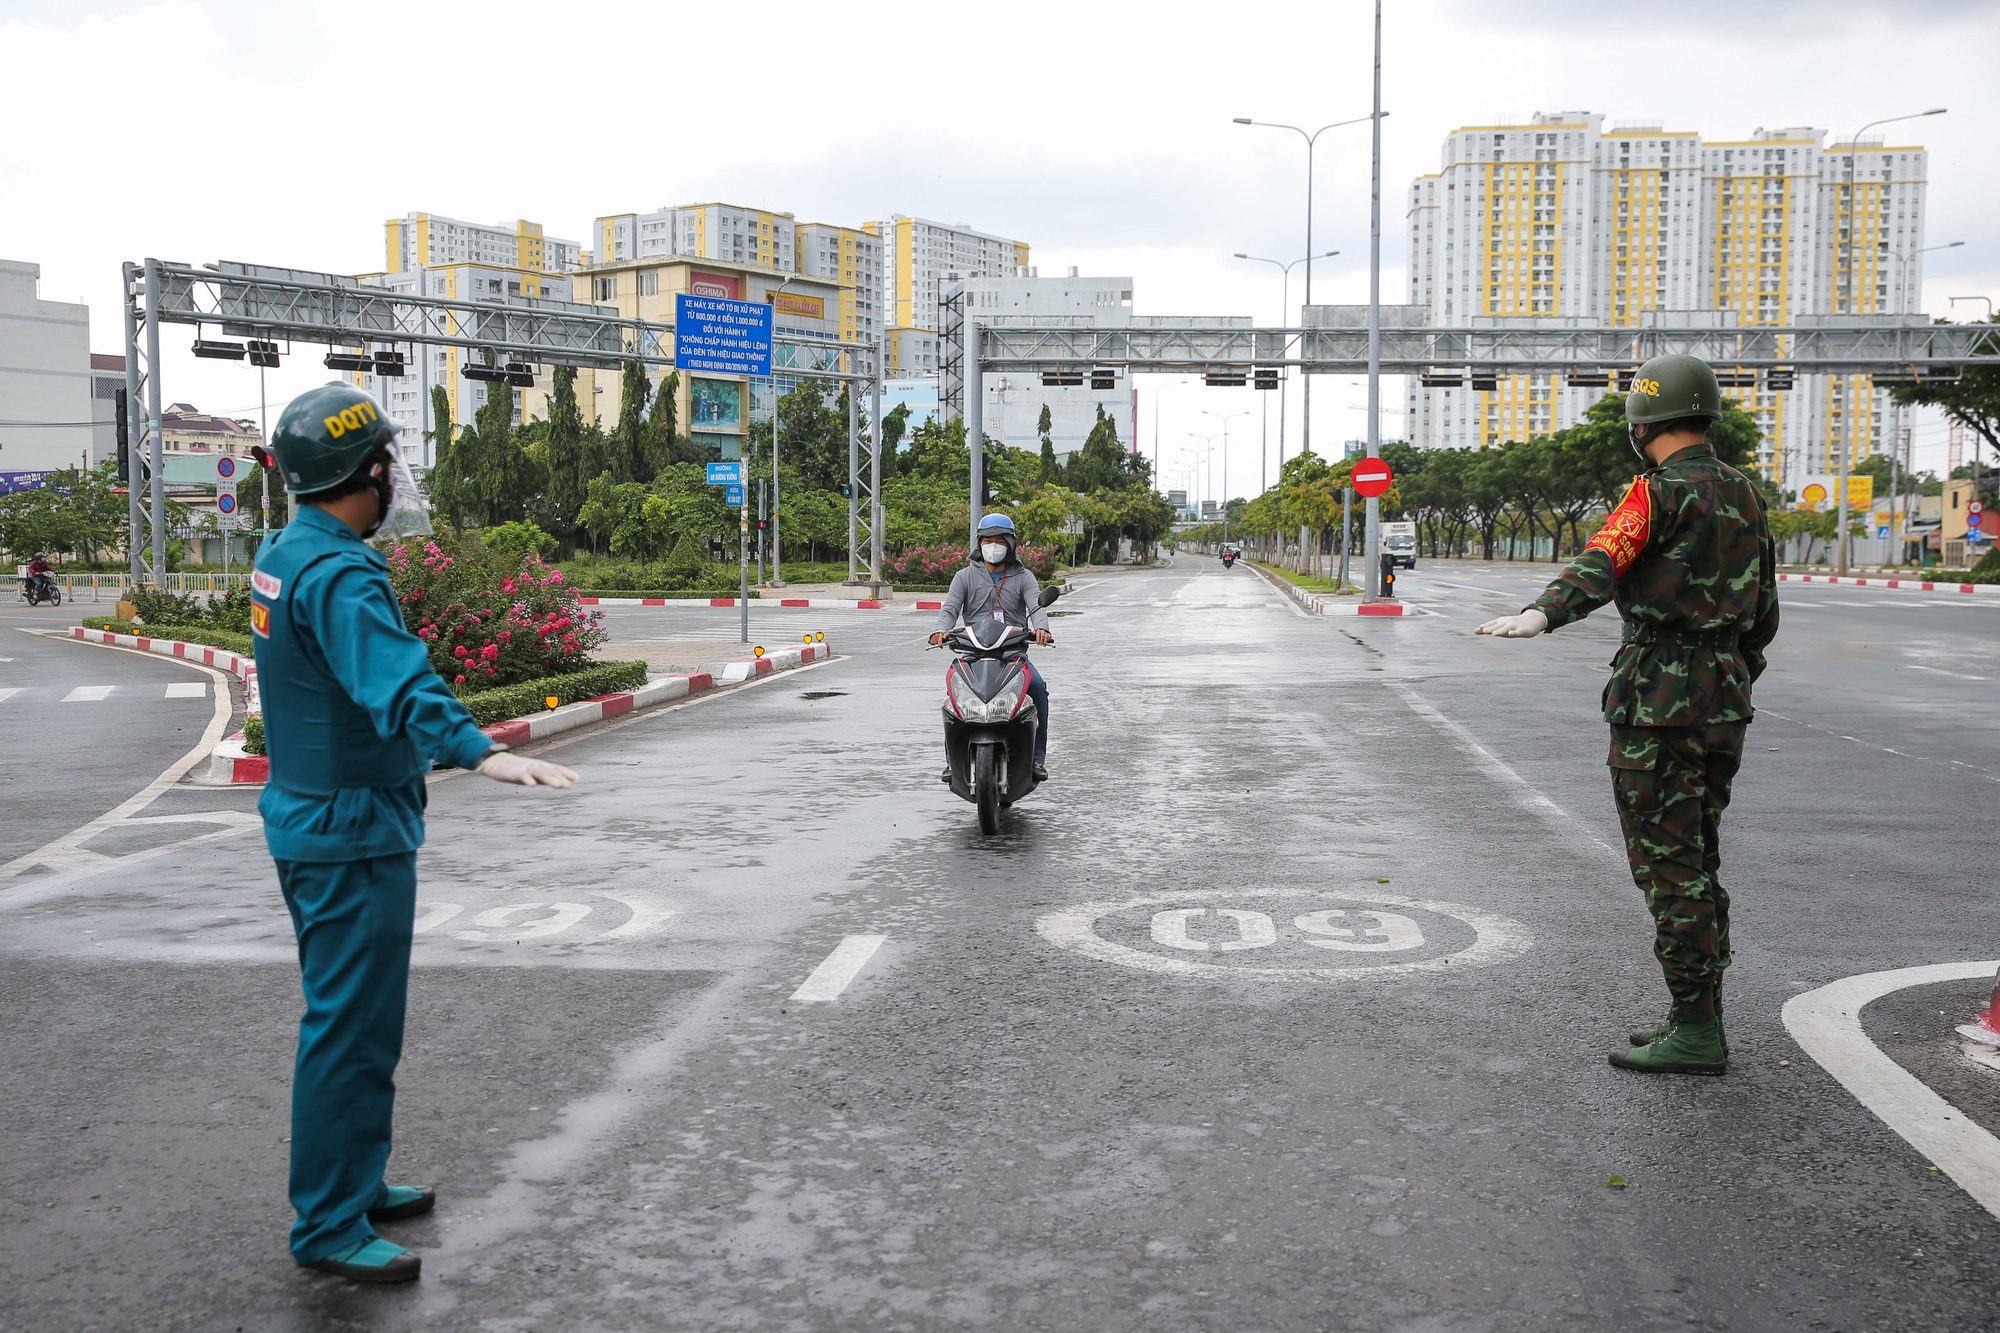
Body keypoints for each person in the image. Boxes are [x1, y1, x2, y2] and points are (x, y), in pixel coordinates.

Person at [252, 383, 580, 1283]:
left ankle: (353, 1182)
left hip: (316, 818)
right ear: (366, 471)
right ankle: (327, 1221)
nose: (393, 475)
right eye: (387, 461)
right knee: (350, 1029)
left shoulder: (285, 553)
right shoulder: (342, 574)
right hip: (348, 832)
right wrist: (477, 749)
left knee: (358, 1023)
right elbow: (394, 678)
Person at [1475, 354, 1778, 1077]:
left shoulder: (1654, 491)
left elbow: (1604, 558)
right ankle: (1693, 1010)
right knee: (1697, 859)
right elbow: (1763, 612)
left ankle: (1699, 1029)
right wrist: (1730, 675)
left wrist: (1541, 613)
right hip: (1723, 696)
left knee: (1668, 869)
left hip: (1658, 702)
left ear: (1643, 426)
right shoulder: (1746, 495)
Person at [929, 514, 1054, 780]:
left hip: (1013, 655)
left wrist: (1041, 628)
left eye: (999, 540)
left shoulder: (1024, 577)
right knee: (952, 696)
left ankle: (1037, 758)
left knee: (1038, 689)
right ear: (979, 543)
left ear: (1010, 544)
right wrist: (940, 630)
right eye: (988, 540)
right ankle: (952, 761)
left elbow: (1036, 605)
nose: (993, 546)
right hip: (973, 654)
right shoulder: (964, 576)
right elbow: (950, 607)